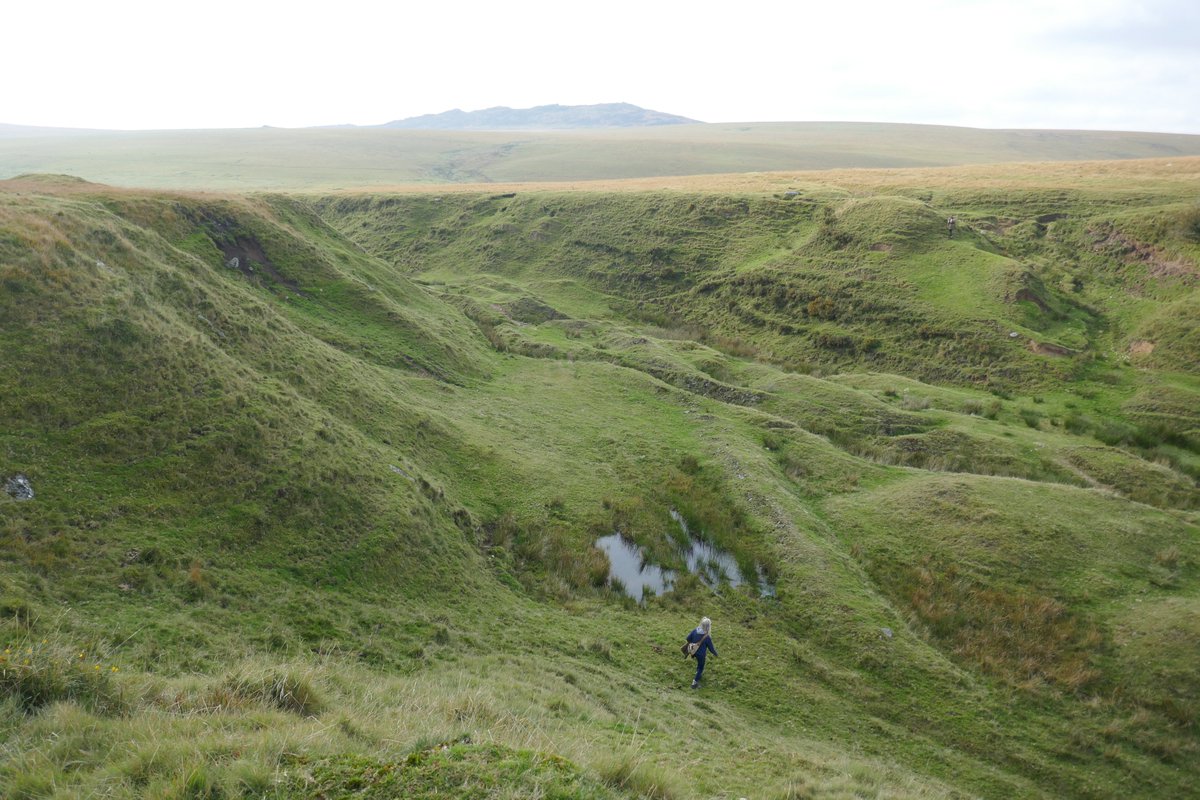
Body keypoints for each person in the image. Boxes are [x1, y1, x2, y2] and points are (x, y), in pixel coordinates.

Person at [685, 616, 718, 689]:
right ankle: (694, 683)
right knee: (701, 667)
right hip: (701, 655)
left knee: (699, 665)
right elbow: (711, 649)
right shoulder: (707, 637)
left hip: (693, 652)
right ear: (708, 627)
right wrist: (716, 654)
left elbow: (687, 638)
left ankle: (698, 674)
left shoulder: (695, 630)